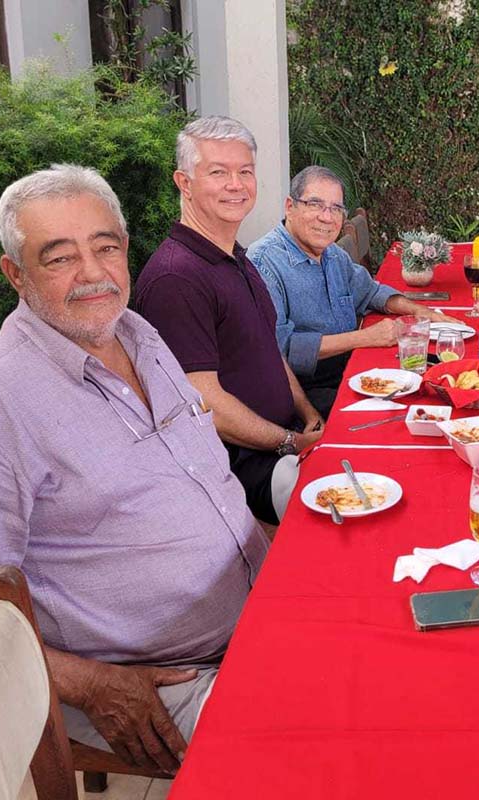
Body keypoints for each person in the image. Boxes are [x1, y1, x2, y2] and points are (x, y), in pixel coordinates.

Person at [0, 164, 271, 774]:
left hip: (263, 609)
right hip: (169, 678)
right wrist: (90, 685)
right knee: (332, 753)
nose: (93, 274)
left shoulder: (138, 330)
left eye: (106, 247)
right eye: (59, 258)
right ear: (15, 273)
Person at [135, 116, 325, 525]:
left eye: (245, 172)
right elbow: (205, 405)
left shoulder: (234, 256)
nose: (235, 184)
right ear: (184, 183)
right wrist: (291, 442)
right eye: (218, 172)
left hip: (285, 436)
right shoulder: (176, 278)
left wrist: (307, 410)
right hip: (242, 470)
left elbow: (268, 348)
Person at [247, 165, 463, 417]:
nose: (327, 217)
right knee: (402, 415)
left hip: (347, 371)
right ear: (290, 207)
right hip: (301, 394)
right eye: (315, 204)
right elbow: (280, 350)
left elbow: (371, 292)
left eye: (336, 208)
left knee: (435, 387)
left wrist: (422, 312)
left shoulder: (332, 255)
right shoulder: (264, 263)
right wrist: (366, 338)